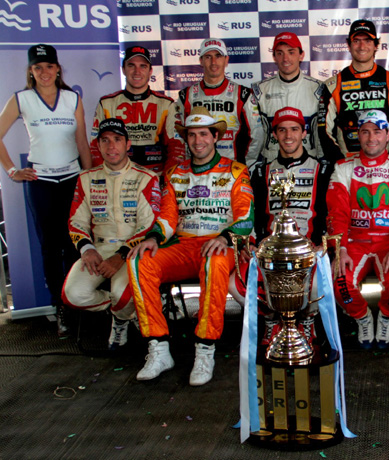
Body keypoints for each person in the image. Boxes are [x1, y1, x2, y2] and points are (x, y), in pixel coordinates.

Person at [127, 106, 254, 386]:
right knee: (139, 260)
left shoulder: (236, 171)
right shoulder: (174, 174)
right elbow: (167, 219)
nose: (198, 141)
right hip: (184, 246)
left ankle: (205, 349)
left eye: (204, 134)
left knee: (214, 261)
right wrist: (153, 238)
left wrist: (224, 238)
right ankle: (158, 348)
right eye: (192, 135)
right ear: (186, 138)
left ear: (215, 137)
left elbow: (246, 217)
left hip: (223, 244)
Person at [0, 44, 92, 336]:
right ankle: (59, 306)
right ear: (30, 71)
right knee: (50, 246)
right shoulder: (22, 99)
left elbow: (82, 142)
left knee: (74, 243)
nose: (44, 72)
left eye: (49, 66)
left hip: (72, 178)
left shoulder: (72, 98)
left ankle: (77, 302)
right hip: (40, 182)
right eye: (37, 67)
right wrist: (12, 170)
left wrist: (89, 179)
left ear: (57, 69)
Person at [229, 106, 332, 344]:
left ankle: (306, 322)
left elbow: (331, 213)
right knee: (234, 283)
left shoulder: (323, 169)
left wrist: (324, 244)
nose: (288, 136)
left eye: (294, 129)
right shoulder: (261, 171)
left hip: (308, 250)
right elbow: (251, 213)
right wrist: (250, 243)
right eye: (282, 130)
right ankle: (271, 319)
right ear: (274, 134)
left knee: (321, 279)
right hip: (270, 253)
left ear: (304, 133)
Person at [62, 118, 160, 349]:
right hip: (99, 249)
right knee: (73, 294)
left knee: (123, 294)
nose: (111, 146)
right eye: (105, 140)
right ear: (98, 145)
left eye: (117, 139)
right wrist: (87, 250)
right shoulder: (86, 178)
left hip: (134, 251)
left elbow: (149, 225)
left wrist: (121, 256)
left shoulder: (147, 177)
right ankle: (124, 312)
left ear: (128, 144)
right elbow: (76, 221)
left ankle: (120, 318)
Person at [327, 110, 389, 349]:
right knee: (340, 282)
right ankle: (362, 317)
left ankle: (387, 317)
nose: (371, 138)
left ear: (387, 135)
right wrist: (340, 248)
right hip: (353, 242)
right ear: (358, 135)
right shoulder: (343, 168)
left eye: (377, 131)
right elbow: (337, 213)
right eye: (365, 132)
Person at [318, 20, 389, 163]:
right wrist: (341, 166)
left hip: (385, 166)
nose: (362, 46)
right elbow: (324, 132)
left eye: (367, 41)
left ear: (376, 45)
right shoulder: (333, 85)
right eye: (356, 41)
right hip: (347, 166)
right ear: (349, 45)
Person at [89, 46, 184, 176]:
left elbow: (176, 147)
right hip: (118, 176)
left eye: (143, 66)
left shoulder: (166, 104)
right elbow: (96, 146)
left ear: (150, 71)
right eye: (131, 66)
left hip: (155, 176)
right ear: (123, 69)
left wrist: (167, 179)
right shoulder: (106, 103)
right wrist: (105, 178)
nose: (137, 72)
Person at [173, 38, 264, 167]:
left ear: (226, 60)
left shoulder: (243, 94)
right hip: (197, 168)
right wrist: (188, 164)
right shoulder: (186, 95)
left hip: (232, 169)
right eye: (208, 57)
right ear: (201, 61)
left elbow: (257, 134)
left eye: (218, 56)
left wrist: (245, 164)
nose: (213, 62)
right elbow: (179, 136)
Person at [252, 32, 324, 162]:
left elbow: (324, 134)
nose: (285, 59)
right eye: (280, 53)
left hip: (310, 164)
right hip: (271, 164)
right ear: (274, 57)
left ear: (301, 55)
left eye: (291, 52)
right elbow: (254, 135)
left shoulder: (318, 89)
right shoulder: (259, 90)